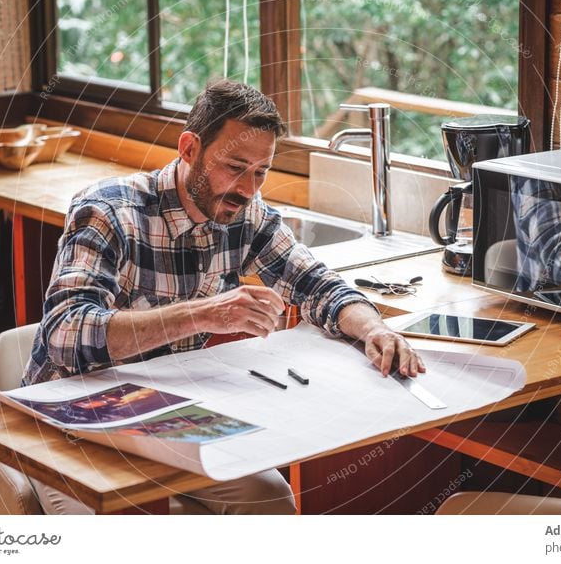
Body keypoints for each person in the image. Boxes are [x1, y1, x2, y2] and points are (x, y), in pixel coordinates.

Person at [23, 79, 426, 515]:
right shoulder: (109, 212)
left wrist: (375, 330)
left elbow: (316, 284)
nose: (248, 189)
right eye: (234, 166)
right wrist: (200, 315)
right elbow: (64, 335)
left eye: (260, 172)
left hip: (167, 413)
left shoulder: (246, 215)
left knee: (269, 501)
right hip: (71, 414)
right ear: (190, 149)